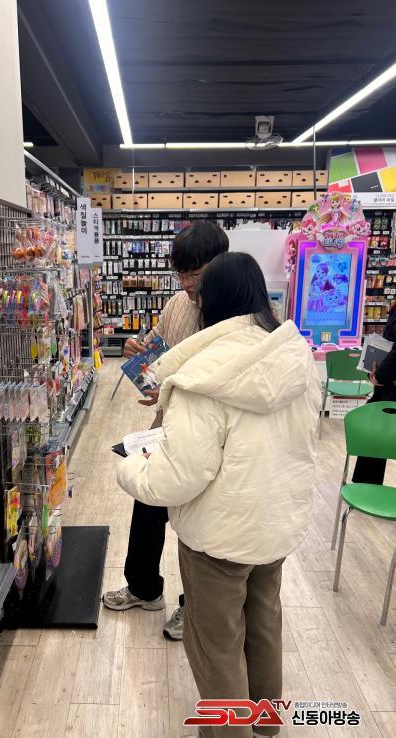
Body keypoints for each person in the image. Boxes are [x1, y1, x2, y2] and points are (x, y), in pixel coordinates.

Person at [116, 252, 321, 738]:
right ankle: (266, 724)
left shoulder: (201, 374)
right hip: (276, 524)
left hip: (219, 536)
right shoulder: (294, 358)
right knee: (264, 624)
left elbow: (180, 477)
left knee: (216, 647)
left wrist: (130, 468)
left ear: (210, 302)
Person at [102, 220, 229, 641]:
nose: (188, 284)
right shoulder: (177, 304)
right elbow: (157, 346)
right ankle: (143, 588)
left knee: (201, 524)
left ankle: (195, 608)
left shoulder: (232, 311)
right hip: (166, 427)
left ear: (220, 264)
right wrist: (138, 350)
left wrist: (173, 387)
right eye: (182, 274)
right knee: (148, 501)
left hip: (211, 436)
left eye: (196, 274)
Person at [352, 304, 396, 484]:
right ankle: (366, 485)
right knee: (375, 435)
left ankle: (366, 486)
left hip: (389, 386)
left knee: (376, 435)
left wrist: (380, 375)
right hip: (386, 384)